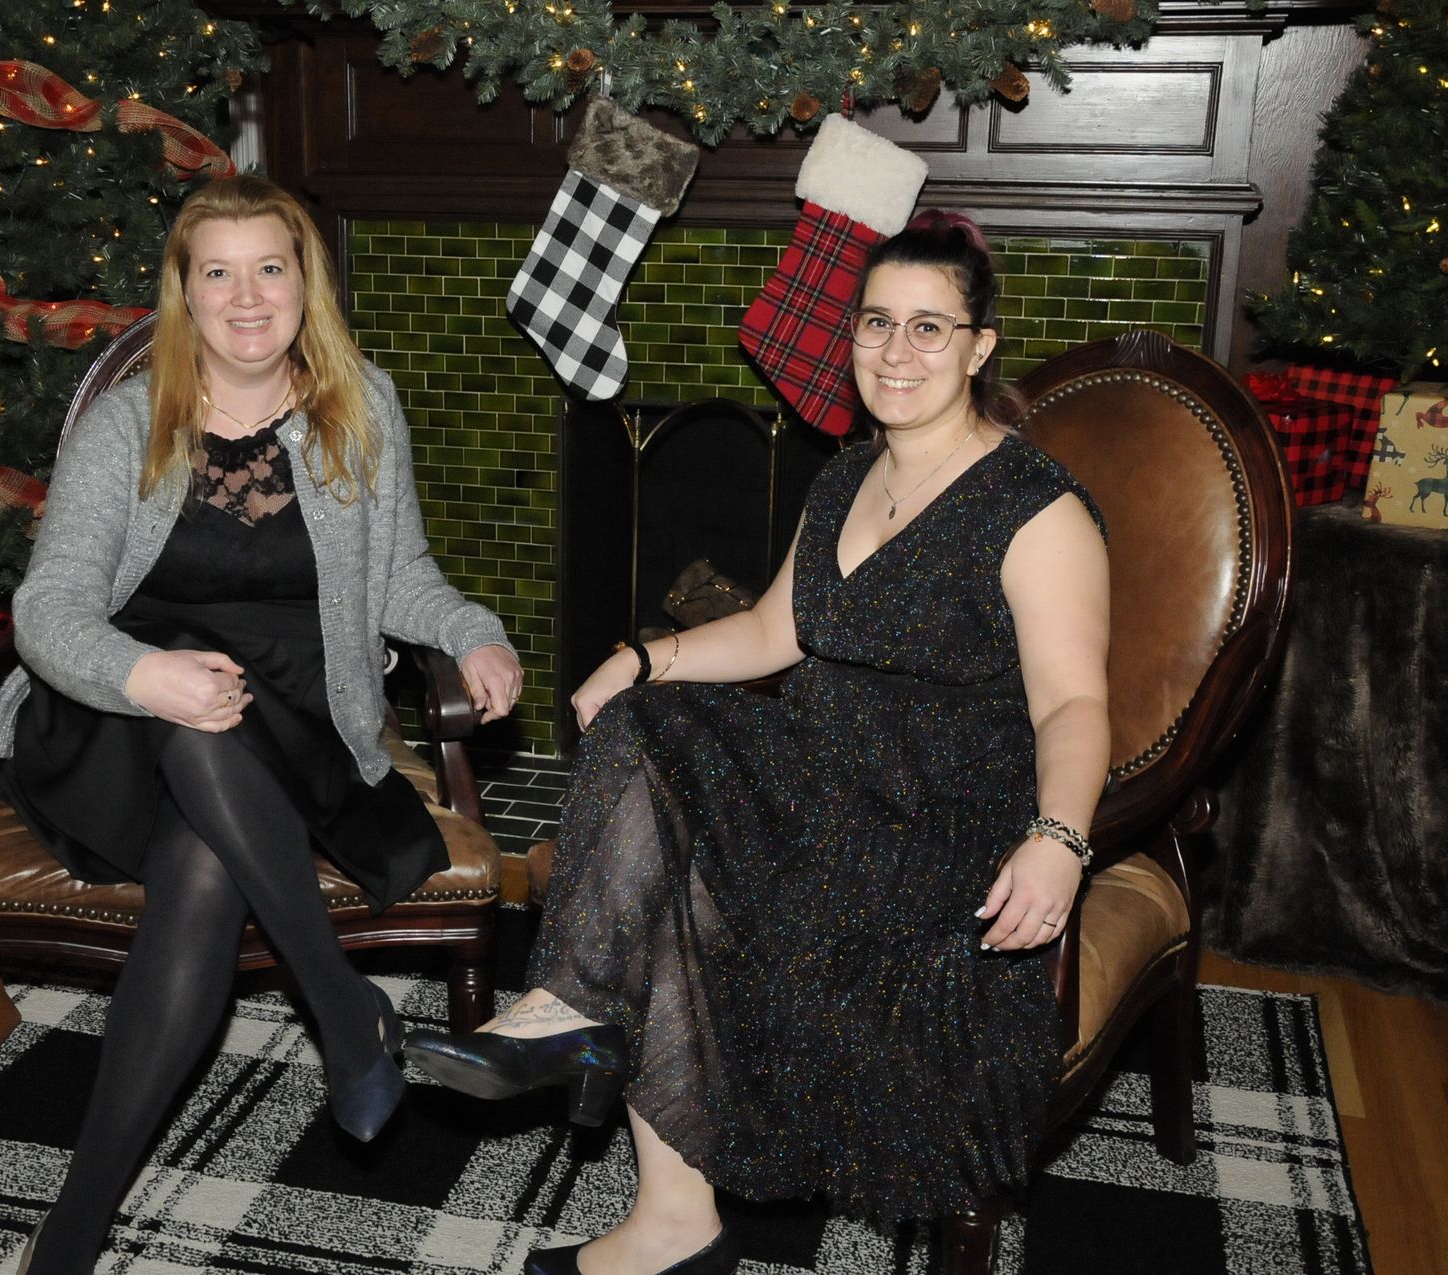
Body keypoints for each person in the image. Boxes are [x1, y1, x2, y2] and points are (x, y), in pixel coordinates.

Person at [405, 211, 1110, 1275]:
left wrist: (1059, 836)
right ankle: (618, 1110)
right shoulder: (846, 477)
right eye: (878, 323)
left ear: (979, 347)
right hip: (822, 780)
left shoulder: (1034, 511)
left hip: (933, 827)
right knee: (647, 740)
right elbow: (776, 631)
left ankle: (639, 1155)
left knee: (678, 871)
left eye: (930, 329)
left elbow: (1073, 706)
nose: (896, 352)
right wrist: (640, 660)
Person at [0, 174, 523, 1274]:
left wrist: (472, 630)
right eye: (215, 272)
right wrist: (144, 675)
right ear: (183, 292)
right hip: (116, 716)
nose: (245, 297)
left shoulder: (358, 406)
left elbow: (402, 575)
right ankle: (345, 1007)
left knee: (207, 850)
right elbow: (47, 609)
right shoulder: (131, 424)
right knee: (195, 721)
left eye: (269, 267)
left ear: (303, 282)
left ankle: (69, 1234)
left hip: (294, 715)